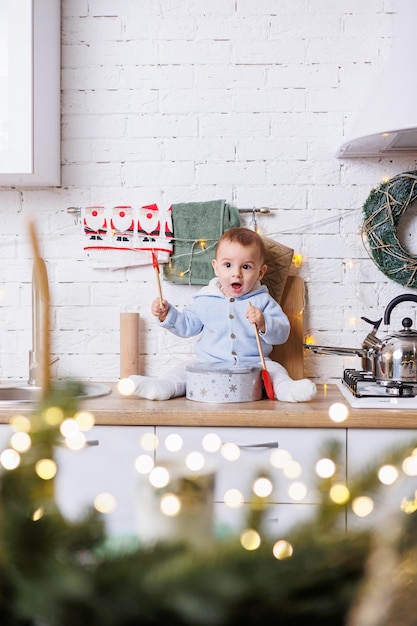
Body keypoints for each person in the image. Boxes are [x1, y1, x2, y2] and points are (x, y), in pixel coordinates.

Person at [129, 227, 317, 402]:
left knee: (277, 371)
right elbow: (187, 325)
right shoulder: (205, 299)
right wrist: (167, 314)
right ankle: (163, 386)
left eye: (246, 267)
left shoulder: (263, 300)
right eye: (228, 265)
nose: (236, 274)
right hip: (208, 363)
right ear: (216, 267)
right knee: (182, 370)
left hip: (255, 364)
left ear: (260, 272)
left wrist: (264, 322)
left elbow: (282, 332)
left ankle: (287, 390)